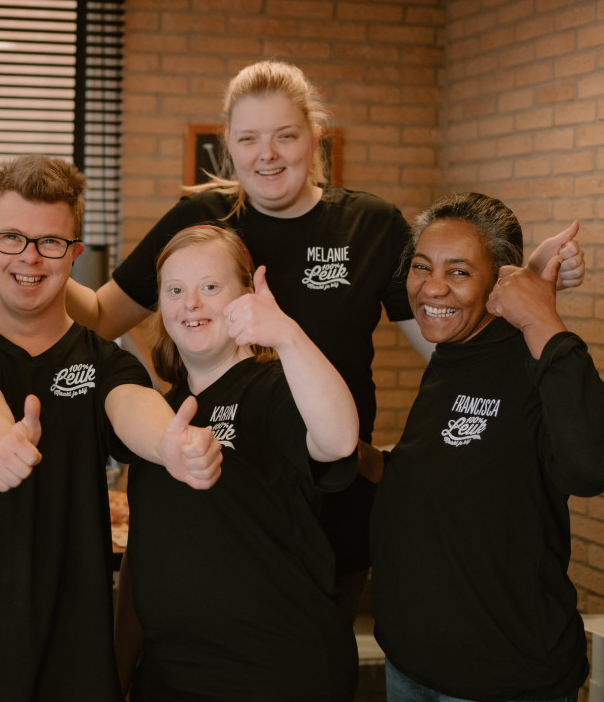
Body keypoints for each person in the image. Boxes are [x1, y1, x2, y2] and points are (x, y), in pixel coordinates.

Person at [65, 59, 585, 618]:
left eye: (285, 136)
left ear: (315, 139)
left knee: (314, 657)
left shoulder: (370, 225)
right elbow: (99, 314)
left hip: (335, 492)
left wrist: (518, 284)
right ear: (228, 146)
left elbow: (453, 346)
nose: (267, 154)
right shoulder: (201, 218)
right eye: (249, 138)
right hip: (225, 490)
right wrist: (36, 261)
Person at [0, 155, 223, 702]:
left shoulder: (105, 360)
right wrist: (0, 436)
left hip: (73, 652)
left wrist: (169, 442)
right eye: (12, 238)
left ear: (74, 254)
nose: (30, 257)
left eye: (49, 242)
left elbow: (131, 406)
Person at [369, 192, 604, 702]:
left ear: (500, 281)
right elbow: (450, 471)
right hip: (414, 669)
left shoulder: (532, 357)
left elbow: (589, 468)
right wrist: (360, 457)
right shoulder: (452, 355)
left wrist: (543, 316)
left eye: (458, 271)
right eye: (422, 267)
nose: (432, 288)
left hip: (502, 692)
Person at [117, 225, 360, 702]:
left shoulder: (274, 389)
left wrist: (287, 335)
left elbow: (339, 441)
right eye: (175, 290)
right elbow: (145, 556)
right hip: (170, 689)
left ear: (246, 295)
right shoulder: (160, 415)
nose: (191, 304)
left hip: (271, 686)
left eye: (210, 286)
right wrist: (118, 670)